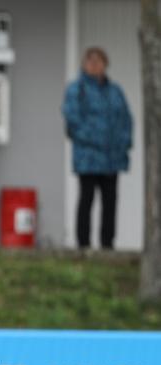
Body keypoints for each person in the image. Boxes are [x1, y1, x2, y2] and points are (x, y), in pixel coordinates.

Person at [62, 47, 132, 250]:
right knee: (87, 199)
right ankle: (83, 244)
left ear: (105, 64)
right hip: (88, 158)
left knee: (110, 202)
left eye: (99, 61)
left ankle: (107, 244)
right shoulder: (77, 90)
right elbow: (73, 122)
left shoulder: (115, 91)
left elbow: (126, 119)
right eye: (90, 61)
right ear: (84, 64)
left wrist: (124, 142)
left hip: (112, 158)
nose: (94, 65)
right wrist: (97, 140)